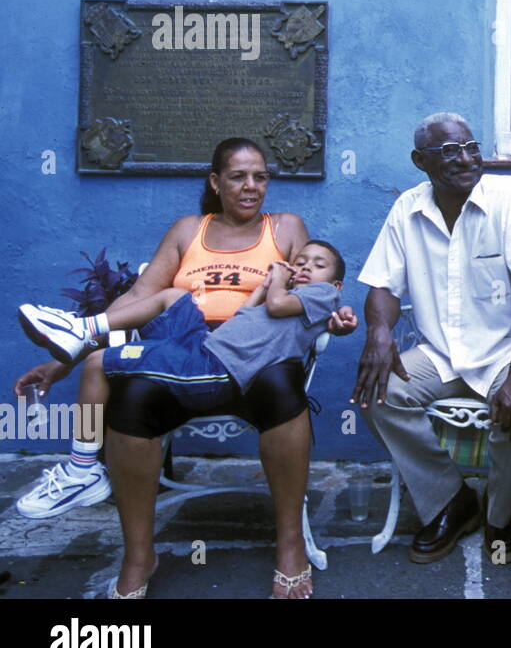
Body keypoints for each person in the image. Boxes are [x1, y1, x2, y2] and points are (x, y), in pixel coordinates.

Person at [10, 138, 355, 596]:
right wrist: (59, 364)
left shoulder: (286, 227)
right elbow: (137, 301)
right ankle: (138, 555)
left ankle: (290, 543)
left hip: (254, 347)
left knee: (282, 383)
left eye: (260, 176)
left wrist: (336, 314)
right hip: (181, 345)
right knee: (131, 396)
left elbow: (313, 285)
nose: (251, 187)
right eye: (238, 177)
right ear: (215, 182)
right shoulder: (187, 229)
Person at [354, 112, 511, 566]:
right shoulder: (406, 210)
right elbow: (383, 288)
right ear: (420, 161)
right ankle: (451, 501)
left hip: (507, 350)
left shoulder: (510, 196)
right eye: (450, 151)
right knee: (378, 394)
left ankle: (501, 517)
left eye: (471, 147)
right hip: (440, 354)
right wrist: (379, 331)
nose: (466, 159)